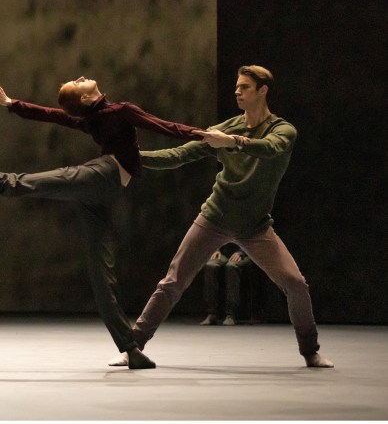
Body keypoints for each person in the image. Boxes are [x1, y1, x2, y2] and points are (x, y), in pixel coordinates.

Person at [0, 77, 204, 369]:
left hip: (103, 185)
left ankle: (128, 347)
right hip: (100, 178)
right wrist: (208, 136)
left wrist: (11, 102)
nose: (82, 76)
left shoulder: (103, 115)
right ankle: (130, 349)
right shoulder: (111, 112)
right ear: (86, 97)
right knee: (22, 188)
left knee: (99, 270)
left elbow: (53, 115)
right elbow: (164, 127)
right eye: (78, 82)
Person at [130, 65, 333, 368]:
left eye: (244, 87)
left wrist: (233, 142)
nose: (237, 92)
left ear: (263, 90)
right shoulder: (227, 127)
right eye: (236, 87)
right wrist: (132, 158)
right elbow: (178, 155)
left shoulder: (283, 130)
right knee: (173, 281)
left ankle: (310, 351)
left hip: (256, 226)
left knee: (295, 283)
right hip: (215, 217)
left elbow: (270, 148)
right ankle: (131, 347)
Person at [200, 243, 253, 326]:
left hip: (246, 253)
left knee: (231, 266)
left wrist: (241, 252)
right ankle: (211, 313)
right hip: (225, 253)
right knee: (210, 265)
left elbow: (253, 238)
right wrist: (216, 249)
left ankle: (230, 314)